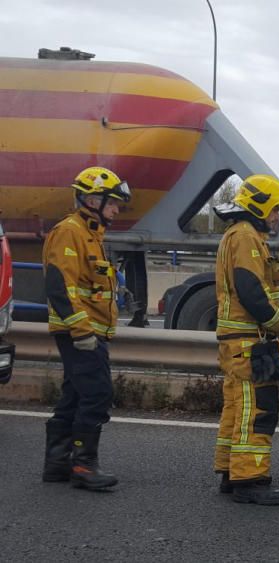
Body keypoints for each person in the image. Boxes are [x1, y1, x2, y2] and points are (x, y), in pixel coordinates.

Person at [211, 174, 279, 506]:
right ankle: (250, 480)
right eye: (274, 212)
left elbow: (269, 296)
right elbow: (252, 296)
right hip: (248, 341)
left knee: (237, 409)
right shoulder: (245, 238)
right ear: (260, 207)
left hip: (242, 339)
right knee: (256, 411)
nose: (276, 219)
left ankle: (232, 473)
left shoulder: (246, 237)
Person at [41, 167, 132, 491]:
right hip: (80, 333)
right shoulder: (71, 232)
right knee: (97, 394)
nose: (116, 209)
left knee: (75, 394)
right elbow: (59, 286)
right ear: (93, 200)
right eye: (113, 203)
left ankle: (57, 463)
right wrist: (82, 332)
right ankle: (83, 465)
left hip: (86, 331)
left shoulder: (91, 234)